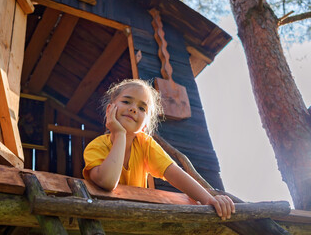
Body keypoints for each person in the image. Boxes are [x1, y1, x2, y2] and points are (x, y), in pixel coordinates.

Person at [83, 79, 235, 220]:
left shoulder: (145, 144)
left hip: (135, 219)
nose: (133, 109)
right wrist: (120, 134)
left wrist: (209, 199)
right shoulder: (96, 147)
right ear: (110, 109)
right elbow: (107, 182)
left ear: (144, 125)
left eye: (142, 108)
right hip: (103, 218)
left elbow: (174, 173)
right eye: (126, 101)